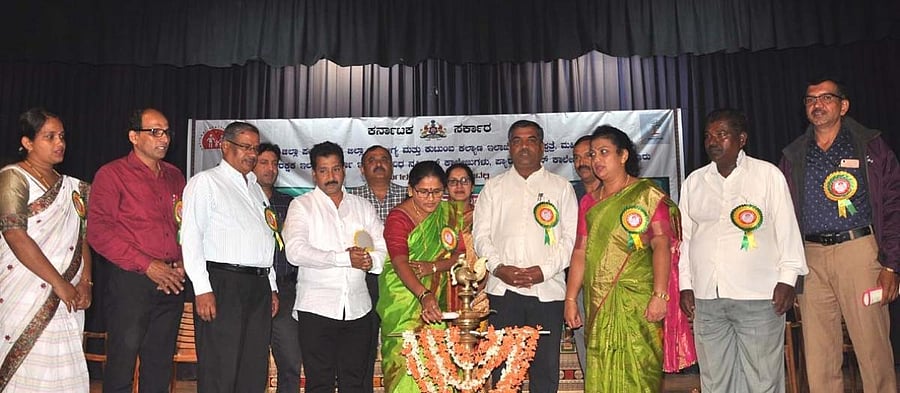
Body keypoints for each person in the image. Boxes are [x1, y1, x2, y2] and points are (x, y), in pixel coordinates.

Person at [780, 78, 900, 393]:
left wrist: (892, 264)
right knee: (819, 355)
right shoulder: (794, 154)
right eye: (810, 100)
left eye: (826, 98)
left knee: (872, 348)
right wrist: (788, 270)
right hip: (811, 257)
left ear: (843, 106)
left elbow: (893, 203)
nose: (817, 105)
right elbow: (782, 214)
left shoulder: (870, 145)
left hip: (859, 252)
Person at [680, 109, 808, 392]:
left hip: (759, 295)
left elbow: (787, 229)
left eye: (722, 134)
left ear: (741, 139)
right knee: (715, 380)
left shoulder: (767, 175)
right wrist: (685, 285)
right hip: (707, 297)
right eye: (708, 136)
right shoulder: (694, 182)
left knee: (762, 380)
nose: (713, 141)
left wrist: (788, 280)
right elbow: (686, 239)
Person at [563, 125, 675, 392]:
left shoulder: (647, 194)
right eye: (593, 154)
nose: (596, 160)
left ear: (623, 155)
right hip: (598, 299)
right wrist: (570, 299)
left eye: (604, 152)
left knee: (639, 369)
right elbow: (580, 251)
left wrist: (660, 295)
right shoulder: (589, 202)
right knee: (601, 365)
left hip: (638, 299)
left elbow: (661, 243)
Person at [473, 120, 577, 393]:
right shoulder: (493, 188)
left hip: (548, 292)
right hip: (503, 293)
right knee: (505, 371)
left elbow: (570, 240)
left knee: (544, 371)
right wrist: (498, 268)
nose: (524, 146)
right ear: (509, 147)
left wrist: (543, 271)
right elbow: (480, 236)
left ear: (542, 147)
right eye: (517, 141)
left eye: (531, 140)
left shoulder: (561, 187)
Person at [87, 108, 187, 393]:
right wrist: (148, 265)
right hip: (131, 281)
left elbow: (184, 225)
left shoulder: (175, 176)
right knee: (122, 363)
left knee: (159, 365)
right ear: (133, 136)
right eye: (155, 132)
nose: (164, 138)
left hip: (172, 281)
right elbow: (98, 232)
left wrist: (182, 261)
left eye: (166, 132)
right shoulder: (112, 174)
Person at [181, 121, 279, 393]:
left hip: (258, 286)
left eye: (255, 148)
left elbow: (266, 238)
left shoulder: (256, 188)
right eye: (245, 147)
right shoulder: (206, 182)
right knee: (220, 368)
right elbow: (191, 237)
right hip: (223, 283)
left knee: (253, 368)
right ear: (225, 146)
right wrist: (202, 288)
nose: (252, 154)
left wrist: (270, 285)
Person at [282, 141, 386, 393]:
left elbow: (382, 248)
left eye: (336, 169)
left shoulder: (362, 206)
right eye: (323, 170)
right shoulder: (302, 206)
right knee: (320, 383)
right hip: (316, 309)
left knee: (355, 383)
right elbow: (295, 251)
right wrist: (343, 259)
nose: (331, 176)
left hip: (358, 309)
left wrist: (370, 261)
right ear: (313, 173)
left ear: (344, 170)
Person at [0, 107, 91, 391]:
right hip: (26, 290)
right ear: (27, 142)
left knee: (63, 370)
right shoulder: (13, 177)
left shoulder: (73, 188)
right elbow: (14, 234)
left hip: (70, 292)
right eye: (49, 137)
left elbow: (83, 236)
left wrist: (86, 281)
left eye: (61, 136)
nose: (59, 143)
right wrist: (58, 283)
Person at [377, 161, 461, 392]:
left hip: (439, 297)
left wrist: (433, 267)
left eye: (437, 192)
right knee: (406, 364)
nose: (431, 198)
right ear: (410, 190)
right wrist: (423, 294)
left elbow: (460, 256)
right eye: (423, 192)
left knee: (439, 364)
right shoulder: (398, 218)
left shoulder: (449, 214)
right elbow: (399, 262)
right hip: (403, 298)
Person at [346, 144, 406, 391]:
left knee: (400, 344)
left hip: (402, 280)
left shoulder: (409, 197)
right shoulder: (349, 199)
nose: (378, 163)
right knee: (363, 346)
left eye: (384, 159)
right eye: (372, 160)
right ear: (362, 169)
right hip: (364, 279)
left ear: (392, 166)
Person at [253, 142, 302, 393]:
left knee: (291, 360)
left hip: (285, 288)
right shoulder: (244, 201)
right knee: (252, 362)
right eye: (264, 162)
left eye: (274, 163)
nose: (270, 168)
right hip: (251, 288)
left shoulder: (290, 204)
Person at [569, 134, 597, 373]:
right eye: (576, 158)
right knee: (586, 346)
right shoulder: (569, 195)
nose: (581, 163)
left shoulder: (618, 191)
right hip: (579, 285)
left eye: (587, 155)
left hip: (616, 285)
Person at [444, 162, 477, 311]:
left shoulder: (481, 216)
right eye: (453, 182)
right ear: (446, 187)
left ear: (472, 186)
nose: (459, 186)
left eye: (464, 181)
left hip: (475, 282)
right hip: (441, 283)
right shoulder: (437, 218)